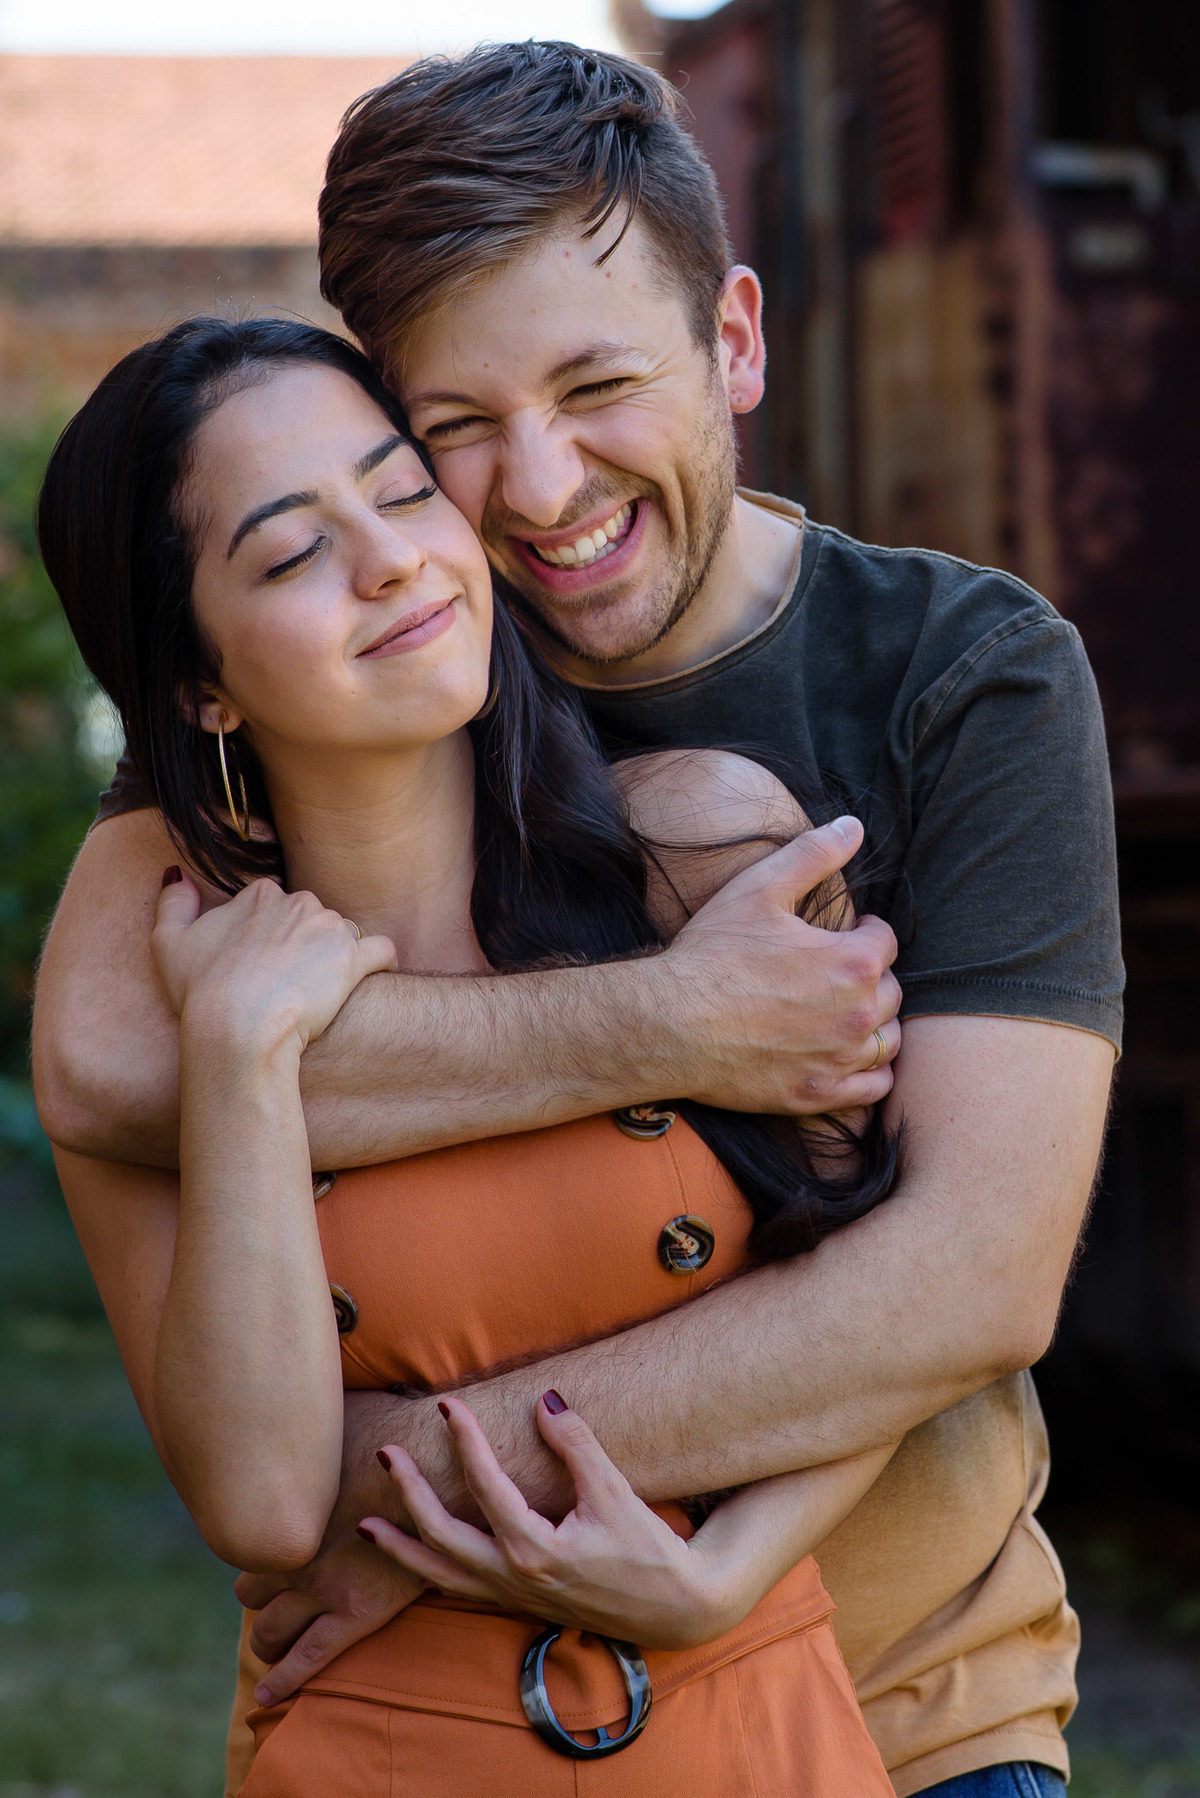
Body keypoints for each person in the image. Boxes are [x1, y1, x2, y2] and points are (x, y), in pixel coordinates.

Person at [32, 42, 1122, 1798]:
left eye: (600, 385)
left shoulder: (956, 672)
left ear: (735, 342)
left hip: (911, 1707)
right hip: (441, 1734)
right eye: (453, 429)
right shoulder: (379, 655)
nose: (538, 493)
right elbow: (105, 1065)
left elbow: (970, 1271)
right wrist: (672, 1022)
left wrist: (403, 1498)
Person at [37, 312, 906, 1794]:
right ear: (199, 685)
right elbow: (261, 1502)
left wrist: (733, 1565)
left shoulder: (701, 848)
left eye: (401, 489)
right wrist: (243, 1058)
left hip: (751, 1718)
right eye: (291, 553)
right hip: (376, 1744)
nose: (391, 560)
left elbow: (893, 1291)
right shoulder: (175, 990)